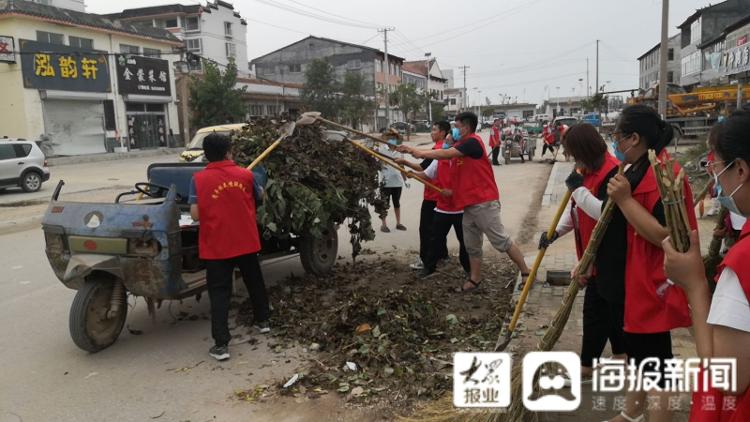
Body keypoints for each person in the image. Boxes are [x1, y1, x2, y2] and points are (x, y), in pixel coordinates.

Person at [603, 104, 696, 422]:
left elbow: (664, 235)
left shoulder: (662, 174)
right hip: (632, 278)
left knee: (657, 364)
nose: (615, 142)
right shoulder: (636, 166)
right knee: (641, 353)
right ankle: (631, 414)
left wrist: (626, 200)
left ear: (634, 138)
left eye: (617, 135)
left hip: (650, 280)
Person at [663, 111, 750, 422]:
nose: (715, 182)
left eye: (716, 168)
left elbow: (729, 379)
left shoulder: (742, 264)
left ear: (740, 169)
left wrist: (696, 286)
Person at [398, 111, 531, 292]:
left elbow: (445, 153)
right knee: (471, 245)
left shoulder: (473, 142)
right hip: (468, 206)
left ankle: (525, 272)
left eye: (457, 127)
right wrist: (414, 156)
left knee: (501, 241)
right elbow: (443, 162)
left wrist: (417, 151)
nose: (453, 131)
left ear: (466, 127)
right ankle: (475, 279)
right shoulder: (460, 148)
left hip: (484, 203)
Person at [539, 123, 626, 381]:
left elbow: (604, 213)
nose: (574, 160)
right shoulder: (586, 170)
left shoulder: (612, 172)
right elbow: (576, 210)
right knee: (610, 313)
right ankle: (621, 357)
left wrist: (578, 188)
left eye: (575, 154)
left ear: (586, 150)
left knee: (594, 315)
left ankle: (586, 368)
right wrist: (555, 233)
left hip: (609, 256)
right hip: (592, 255)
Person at [189, 133, 270, 362]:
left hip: (217, 245)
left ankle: (222, 345)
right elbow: (259, 198)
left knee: (219, 292)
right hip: (245, 241)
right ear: (228, 152)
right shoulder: (246, 175)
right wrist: (260, 191)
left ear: (206, 154)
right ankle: (263, 321)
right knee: (254, 281)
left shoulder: (198, 179)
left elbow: (195, 214)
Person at [406, 126, 471, 279]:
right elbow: (427, 174)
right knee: (435, 239)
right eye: (446, 141)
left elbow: (469, 182)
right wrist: (413, 174)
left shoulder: (463, 160)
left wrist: (454, 192)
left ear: (456, 144)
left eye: (449, 141)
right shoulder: (439, 160)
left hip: (460, 209)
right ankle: (429, 267)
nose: (445, 144)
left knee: (465, 242)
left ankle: (469, 270)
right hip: (442, 208)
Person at [396, 121, 450, 270]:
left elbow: (422, 168)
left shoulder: (438, 150)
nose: (431, 133)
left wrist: (405, 163)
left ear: (443, 133)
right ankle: (442, 256)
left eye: (434, 130)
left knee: (426, 230)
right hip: (437, 195)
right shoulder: (442, 148)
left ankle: (426, 259)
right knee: (437, 229)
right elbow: (424, 167)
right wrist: (406, 161)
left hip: (433, 195)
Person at [378, 137, 408, 233]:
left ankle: (398, 223)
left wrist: (405, 180)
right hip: (385, 182)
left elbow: (402, 166)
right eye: (390, 138)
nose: (393, 140)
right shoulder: (382, 150)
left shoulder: (399, 151)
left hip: (397, 183)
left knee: (397, 203)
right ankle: (384, 224)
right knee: (384, 204)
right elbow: (377, 164)